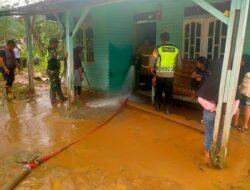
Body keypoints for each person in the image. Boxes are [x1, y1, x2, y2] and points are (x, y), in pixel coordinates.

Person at [197, 59, 239, 158]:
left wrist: (213, 108)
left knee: (209, 133)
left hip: (210, 113)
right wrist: (228, 113)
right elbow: (236, 101)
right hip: (225, 114)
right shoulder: (231, 83)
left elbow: (200, 99)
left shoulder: (210, 81)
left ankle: (207, 152)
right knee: (221, 134)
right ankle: (218, 151)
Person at [149, 32, 180, 114]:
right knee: (169, 92)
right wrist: (177, 70)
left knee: (158, 91)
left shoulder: (158, 48)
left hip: (160, 74)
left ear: (161, 39)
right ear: (169, 39)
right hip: (170, 75)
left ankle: (158, 107)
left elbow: (152, 58)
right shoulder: (176, 48)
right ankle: (168, 109)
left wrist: (151, 67)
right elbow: (179, 62)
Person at [47, 38, 67, 103]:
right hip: (52, 70)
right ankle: (53, 99)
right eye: (56, 43)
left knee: (57, 84)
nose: (57, 44)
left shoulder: (53, 50)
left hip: (54, 70)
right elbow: (57, 57)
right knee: (54, 85)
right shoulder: (51, 50)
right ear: (52, 43)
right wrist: (64, 56)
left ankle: (61, 97)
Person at [237, 54, 250, 131]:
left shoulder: (245, 70)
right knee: (247, 108)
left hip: (245, 92)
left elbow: (241, 83)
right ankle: (244, 124)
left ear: (245, 61)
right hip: (247, 92)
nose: (240, 61)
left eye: (241, 60)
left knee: (246, 108)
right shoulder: (247, 69)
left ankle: (244, 125)